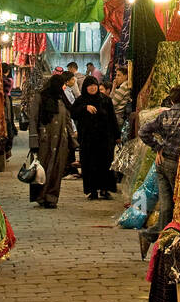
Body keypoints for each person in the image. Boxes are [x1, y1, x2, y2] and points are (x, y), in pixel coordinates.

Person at [138, 86, 180, 233]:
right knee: (178, 203)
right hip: (178, 163)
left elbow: (143, 131)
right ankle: (167, 237)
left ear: (172, 100)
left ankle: (152, 236)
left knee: (166, 204)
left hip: (162, 162)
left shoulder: (165, 116)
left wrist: (158, 147)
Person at [71, 77, 120, 200]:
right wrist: (84, 108)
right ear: (85, 87)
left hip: (104, 139)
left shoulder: (106, 100)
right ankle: (92, 190)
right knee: (89, 164)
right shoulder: (80, 101)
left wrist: (117, 136)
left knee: (105, 164)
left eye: (95, 85)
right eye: (90, 86)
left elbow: (112, 119)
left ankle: (105, 189)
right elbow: (73, 114)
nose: (93, 88)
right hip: (87, 140)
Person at [34, 70, 75, 208]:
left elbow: (68, 118)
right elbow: (34, 120)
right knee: (43, 168)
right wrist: (34, 141)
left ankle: (52, 197)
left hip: (60, 141)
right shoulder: (41, 97)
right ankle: (40, 196)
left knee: (57, 169)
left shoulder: (62, 98)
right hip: (45, 139)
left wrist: (71, 139)